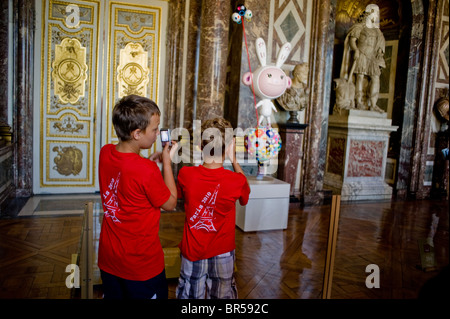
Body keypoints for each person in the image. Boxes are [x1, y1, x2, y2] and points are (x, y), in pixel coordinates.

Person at [98, 94, 177, 299]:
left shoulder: (105, 152)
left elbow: (127, 171)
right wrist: (167, 163)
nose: (157, 134)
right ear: (136, 133)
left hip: (109, 259)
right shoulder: (146, 170)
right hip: (140, 265)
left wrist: (148, 162)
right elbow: (170, 203)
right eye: (154, 129)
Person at [176, 117, 251, 299]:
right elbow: (245, 197)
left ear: (201, 147)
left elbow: (177, 197)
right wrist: (234, 159)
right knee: (223, 295)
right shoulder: (236, 181)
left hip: (193, 251)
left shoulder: (186, 174)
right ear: (227, 149)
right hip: (223, 252)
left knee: (189, 295)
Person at [340, 4, 386, 112]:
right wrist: (355, 50)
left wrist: (380, 51)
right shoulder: (359, 26)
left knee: (375, 77)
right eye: (375, 13)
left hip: (373, 57)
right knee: (360, 77)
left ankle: (373, 104)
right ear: (369, 13)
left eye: (378, 13)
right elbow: (352, 40)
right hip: (361, 54)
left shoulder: (377, 31)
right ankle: (359, 102)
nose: (377, 15)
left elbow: (381, 42)